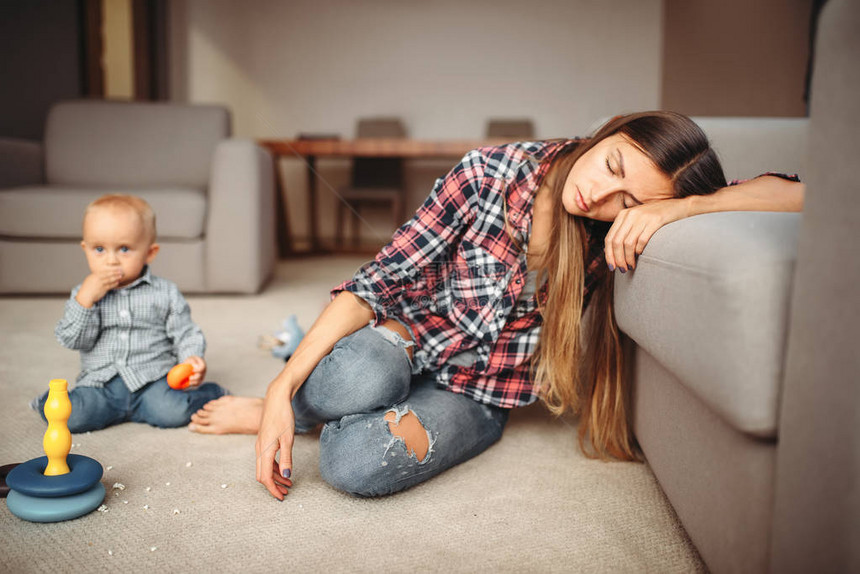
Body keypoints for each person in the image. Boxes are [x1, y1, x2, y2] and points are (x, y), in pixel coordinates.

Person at [188, 111, 803, 499]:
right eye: (612, 164)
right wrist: (279, 385)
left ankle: (316, 419)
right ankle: (296, 408)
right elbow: (377, 280)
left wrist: (681, 208)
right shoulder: (488, 173)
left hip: (477, 397)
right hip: (406, 341)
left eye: (627, 201)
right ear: (608, 132)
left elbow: (804, 194)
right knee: (352, 375)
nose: (601, 195)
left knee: (354, 468)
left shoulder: (611, 231)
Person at [30, 194, 228, 433]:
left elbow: (186, 333)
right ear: (85, 249)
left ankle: (213, 394)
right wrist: (86, 300)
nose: (111, 261)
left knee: (173, 412)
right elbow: (73, 339)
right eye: (99, 249)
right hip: (101, 385)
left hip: (153, 383)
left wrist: (191, 359)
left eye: (124, 249)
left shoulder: (165, 292)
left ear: (150, 252)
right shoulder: (82, 294)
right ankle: (46, 402)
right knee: (73, 417)